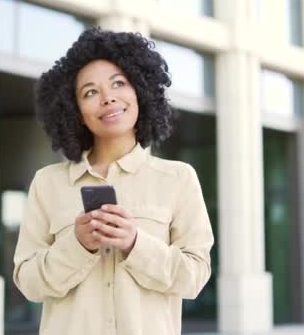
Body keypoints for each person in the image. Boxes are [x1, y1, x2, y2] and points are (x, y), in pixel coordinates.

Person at [12, 28, 214, 335]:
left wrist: (135, 243)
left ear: (140, 91)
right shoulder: (47, 183)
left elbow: (195, 276)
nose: (108, 98)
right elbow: (28, 283)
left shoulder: (178, 179)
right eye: (90, 92)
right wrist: (77, 246)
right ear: (76, 111)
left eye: (119, 83)